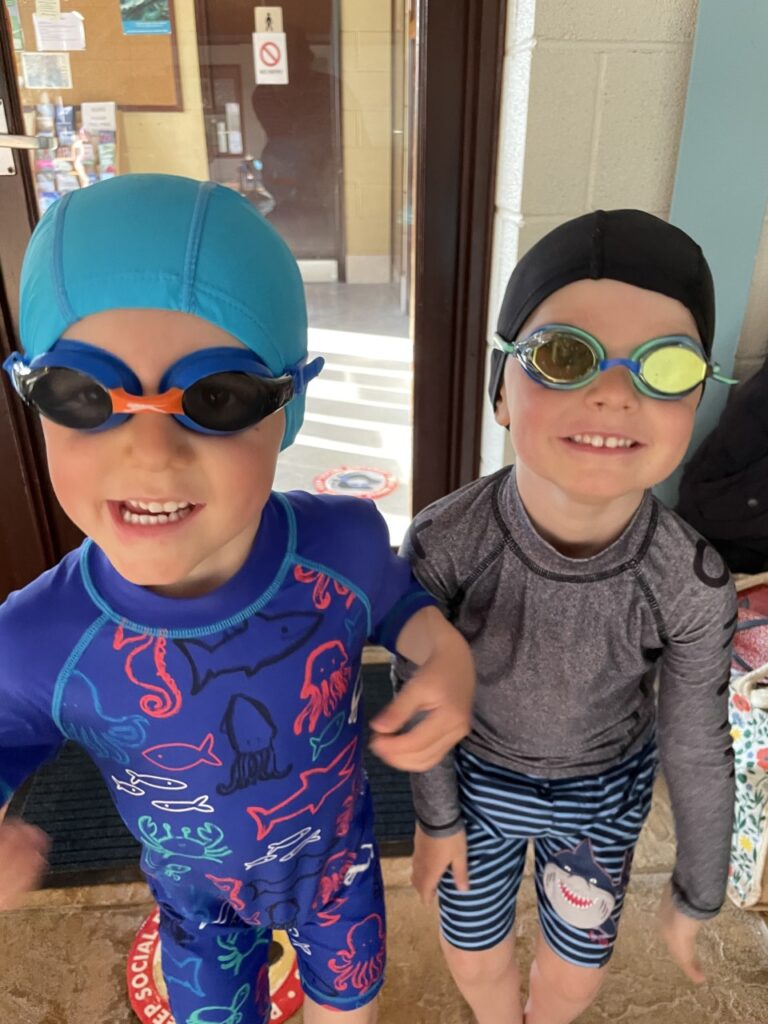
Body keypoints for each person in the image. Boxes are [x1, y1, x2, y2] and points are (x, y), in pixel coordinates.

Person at [0, 173, 475, 1024]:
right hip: (196, 907)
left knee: (352, 1008)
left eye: (215, 398)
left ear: (287, 406)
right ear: (31, 396)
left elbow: (404, 606)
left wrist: (446, 656)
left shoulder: (341, 547)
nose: (150, 454)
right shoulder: (41, 639)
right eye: (83, 394)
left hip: (340, 873)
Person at [398, 210, 738, 1024]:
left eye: (667, 365)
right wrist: (435, 817)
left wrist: (698, 889)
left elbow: (696, 739)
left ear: (697, 394)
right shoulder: (445, 542)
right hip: (475, 790)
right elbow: (421, 701)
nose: (615, 393)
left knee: (575, 980)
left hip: (599, 805)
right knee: (474, 955)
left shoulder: (691, 583)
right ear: (501, 392)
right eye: (563, 355)